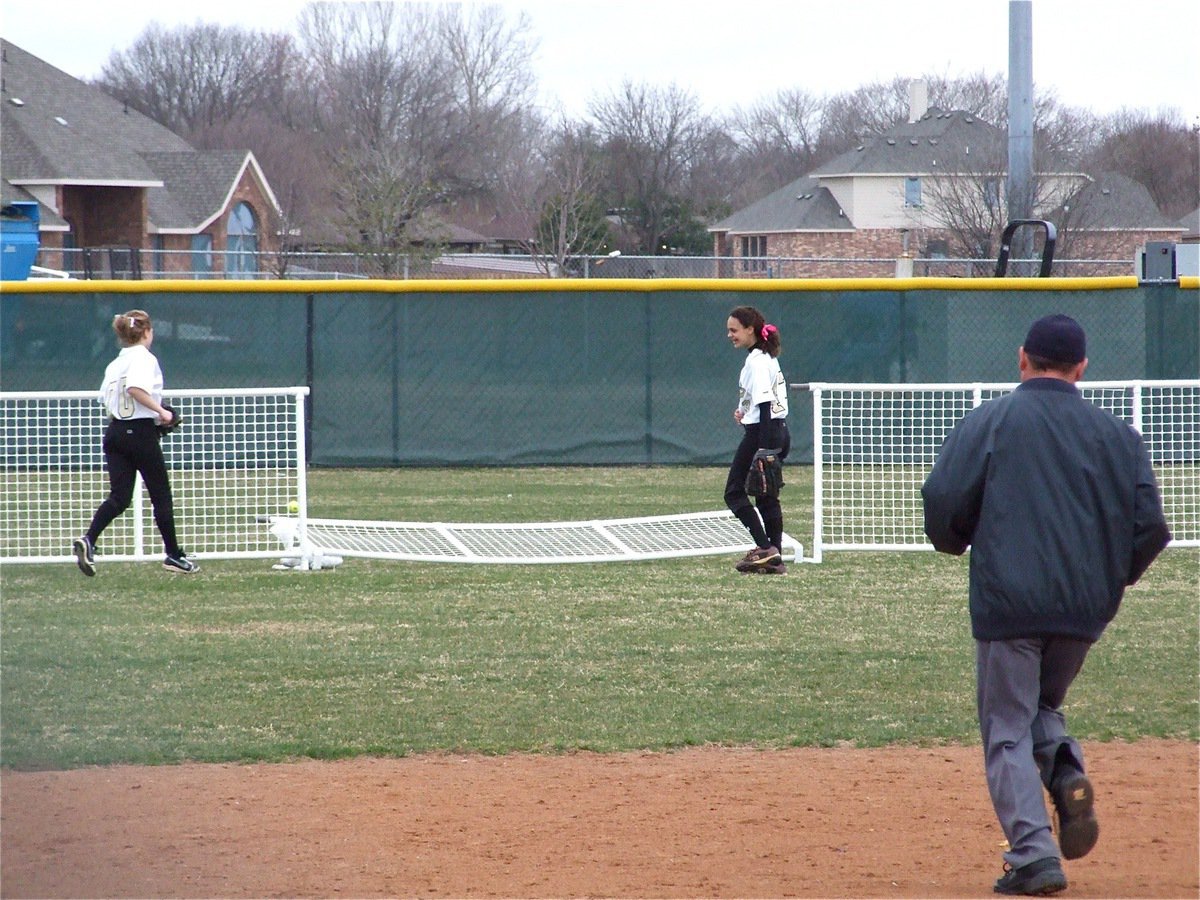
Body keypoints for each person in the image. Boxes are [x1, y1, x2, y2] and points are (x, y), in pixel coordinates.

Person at [921, 314, 1170, 896]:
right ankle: (1063, 769)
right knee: (1041, 705)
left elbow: (944, 496)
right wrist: (1109, 578)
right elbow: (1151, 526)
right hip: (1083, 608)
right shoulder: (1120, 436)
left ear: (1022, 358)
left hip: (1011, 602)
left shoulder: (993, 420)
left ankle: (1034, 855)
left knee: (1006, 725)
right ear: (1082, 368)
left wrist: (953, 540)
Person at [73, 309, 199, 576]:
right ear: (146, 332)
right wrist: (161, 413)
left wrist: (152, 417)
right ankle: (173, 555)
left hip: (115, 432)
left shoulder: (115, 363)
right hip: (138, 434)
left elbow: (112, 401)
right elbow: (134, 389)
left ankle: (89, 539)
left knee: (120, 497)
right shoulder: (144, 358)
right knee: (161, 495)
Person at [724, 306, 790, 575]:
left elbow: (766, 406)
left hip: (764, 432)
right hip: (777, 430)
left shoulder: (758, 360)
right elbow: (762, 401)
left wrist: (762, 449)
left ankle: (765, 548)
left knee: (734, 492)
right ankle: (775, 560)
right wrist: (744, 410)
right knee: (766, 497)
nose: (730, 335)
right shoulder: (763, 357)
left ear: (750, 329)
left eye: (734, 330)